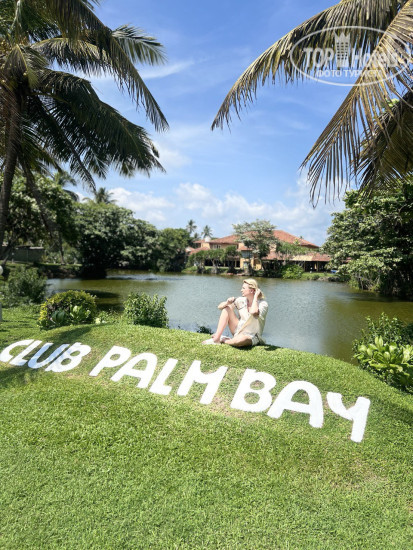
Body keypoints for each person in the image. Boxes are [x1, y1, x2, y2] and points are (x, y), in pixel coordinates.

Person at [202, 278, 268, 347]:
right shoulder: (241, 300)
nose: (241, 290)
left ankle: (223, 339)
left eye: (243, 288)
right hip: (238, 330)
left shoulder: (263, 304)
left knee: (239, 341)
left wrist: (255, 297)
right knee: (227, 308)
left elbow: (254, 312)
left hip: (252, 336)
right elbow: (220, 307)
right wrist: (227, 302)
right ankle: (216, 338)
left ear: (251, 290)